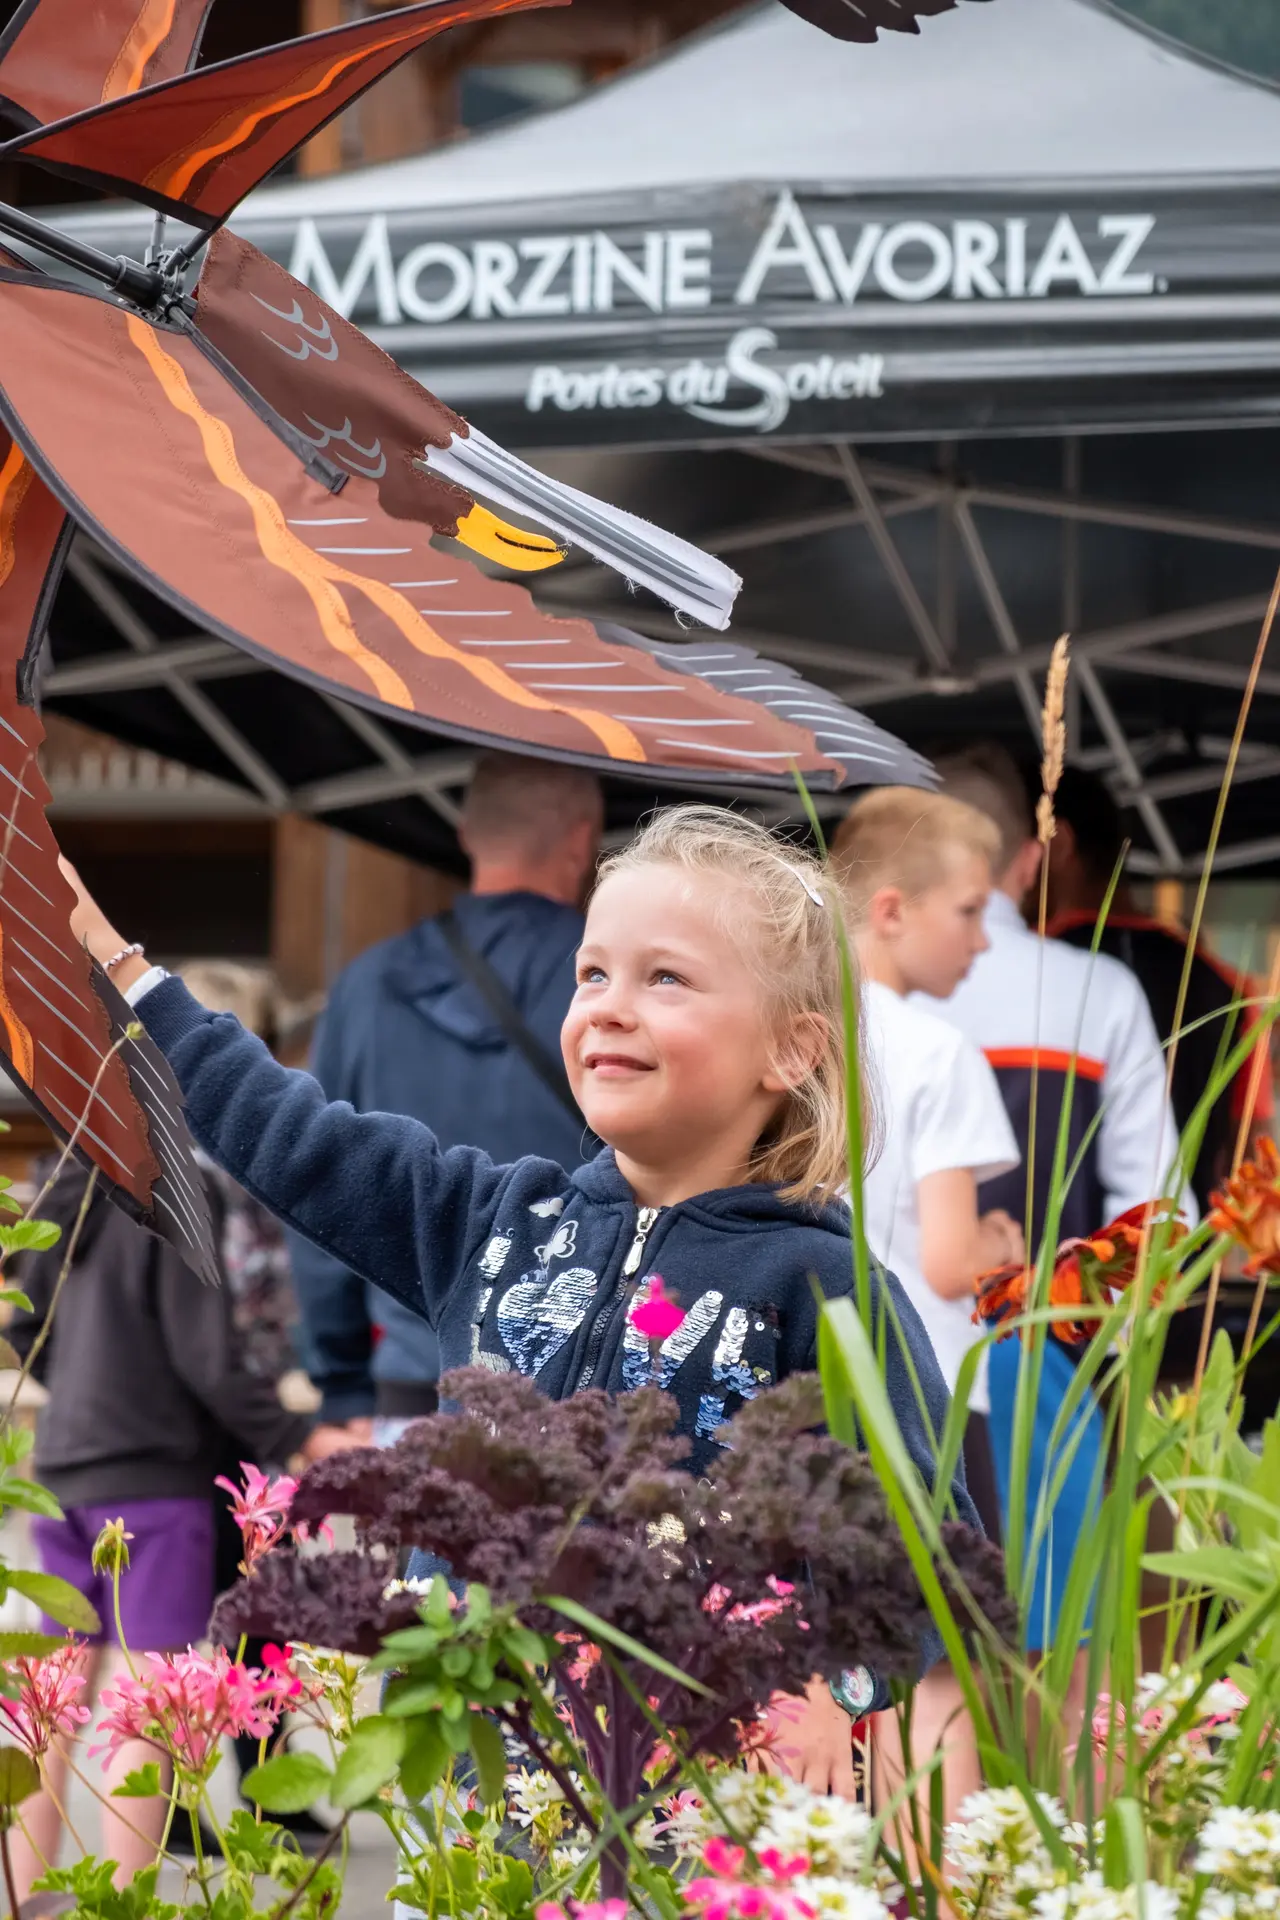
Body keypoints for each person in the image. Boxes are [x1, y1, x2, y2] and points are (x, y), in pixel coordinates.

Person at [60, 804, 978, 1802]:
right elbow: (291, 1134)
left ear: (791, 1051)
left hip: (703, 1796)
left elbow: (922, 1541)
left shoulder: (827, 1287)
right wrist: (118, 969)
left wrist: (828, 1680)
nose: (608, 1005)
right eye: (592, 973)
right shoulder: (491, 1222)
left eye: (663, 977)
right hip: (480, 1784)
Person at [5, 1158, 352, 1895]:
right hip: (155, 1480)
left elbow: (27, 1318)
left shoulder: (78, 1188)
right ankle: (128, 1909)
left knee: (49, 1709)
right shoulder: (172, 1195)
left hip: (64, 1467)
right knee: (149, 1703)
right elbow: (211, 1363)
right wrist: (298, 1433)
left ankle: (25, 1902)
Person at [919, 744, 1190, 1677]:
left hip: (881, 1366)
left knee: (903, 1677)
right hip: (1042, 1366)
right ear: (1030, 859)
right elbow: (1164, 1218)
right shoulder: (1098, 991)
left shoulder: (855, 1002)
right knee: (1054, 1676)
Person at [290, 750, 602, 1445]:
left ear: (465, 834)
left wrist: (340, 1376)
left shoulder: (365, 987)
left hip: (413, 1379)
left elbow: (318, 1187)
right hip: (583, 1381)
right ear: (583, 840)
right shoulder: (607, 988)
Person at [832, 787, 1022, 1834]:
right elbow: (950, 1260)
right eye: (969, 910)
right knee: (937, 1681)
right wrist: (1006, 1245)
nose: (984, 941)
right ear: (892, 908)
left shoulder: (792, 1028)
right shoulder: (934, 1049)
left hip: (812, 1398)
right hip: (932, 1404)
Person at [1044, 764, 1272, 1217]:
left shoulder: (1030, 970)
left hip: (1044, 1272)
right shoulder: (1227, 985)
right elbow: (1250, 1156)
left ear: (1058, 844)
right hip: (1182, 1271)